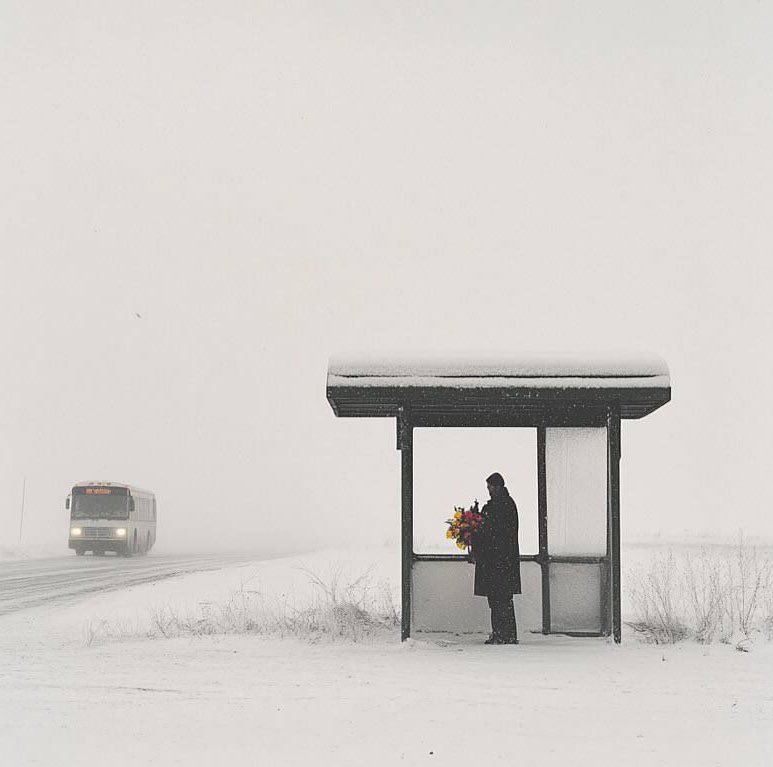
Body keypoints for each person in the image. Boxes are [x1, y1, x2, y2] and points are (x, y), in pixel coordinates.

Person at [470, 472, 521, 644]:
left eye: (490, 487)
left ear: (497, 486)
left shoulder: (500, 506)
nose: (489, 490)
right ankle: (505, 633)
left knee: (498, 599)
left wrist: (476, 524)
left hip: (497, 561)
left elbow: (492, 531)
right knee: (502, 598)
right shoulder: (506, 504)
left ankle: (502, 634)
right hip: (503, 561)